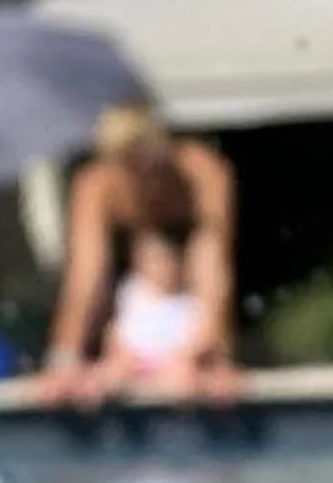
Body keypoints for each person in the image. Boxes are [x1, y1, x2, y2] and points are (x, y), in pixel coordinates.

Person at [38, 101, 240, 408]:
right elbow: (86, 278)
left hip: (183, 297)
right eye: (132, 166)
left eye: (151, 166)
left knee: (203, 371)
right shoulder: (97, 185)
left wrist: (210, 348)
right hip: (131, 311)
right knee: (103, 365)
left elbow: (212, 268)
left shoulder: (203, 173)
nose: (146, 180)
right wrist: (64, 358)